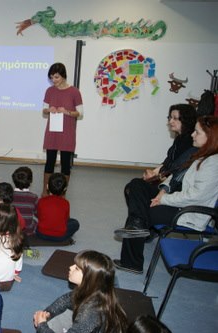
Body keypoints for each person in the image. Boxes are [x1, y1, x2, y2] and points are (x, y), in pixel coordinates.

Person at [114, 116, 218, 274]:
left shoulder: (213, 163)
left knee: (143, 211)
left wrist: (164, 199)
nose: (192, 135)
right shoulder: (200, 154)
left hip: (189, 212)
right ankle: (137, 225)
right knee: (136, 185)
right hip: (178, 200)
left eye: (197, 132)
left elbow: (196, 196)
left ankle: (132, 260)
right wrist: (164, 190)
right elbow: (176, 175)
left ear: (210, 137)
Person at [117, 104, 197, 238]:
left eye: (175, 118)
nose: (170, 121)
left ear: (186, 120)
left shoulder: (190, 142)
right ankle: (142, 227)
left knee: (134, 187)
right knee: (132, 187)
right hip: (167, 181)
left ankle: (140, 226)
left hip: (175, 189)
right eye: (170, 117)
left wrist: (157, 177)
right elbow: (168, 162)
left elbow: (177, 172)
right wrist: (154, 172)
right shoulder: (180, 138)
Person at [33, 250, 127, 333]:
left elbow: (86, 318)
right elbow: (67, 300)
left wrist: (42, 325)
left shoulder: (91, 313)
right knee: (51, 322)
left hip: (87, 323)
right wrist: (48, 313)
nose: (71, 267)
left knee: (46, 326)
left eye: (77, 268)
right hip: (85, 323)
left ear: (89, 278)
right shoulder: (91, 290)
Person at [41, 62, 83, 197]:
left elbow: (80, 113)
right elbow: (44, 109)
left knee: (65, 165)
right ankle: (45, 191)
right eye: (52, 77)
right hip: (52, 132)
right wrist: (49, 110)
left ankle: (62, 194)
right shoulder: (49, 91)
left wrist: (67, 112)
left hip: (67, 133)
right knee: (49, 162)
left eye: (56, 77)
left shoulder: (74, 91)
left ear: (63, 76)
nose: (54, 80)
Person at [36, 173, 79, 243]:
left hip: (41, 234)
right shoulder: (66, 203)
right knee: (75, 223)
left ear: (47, 187)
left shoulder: (41, 201)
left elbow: (39, 216)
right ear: (65, 189)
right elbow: (66, 219)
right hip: (60, 237)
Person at [12, 166, 39, 235]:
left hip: (12, 230)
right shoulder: (33, 197)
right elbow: (37, 214)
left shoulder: (9, 195)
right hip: (28, 230)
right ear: (30, 181)